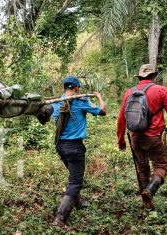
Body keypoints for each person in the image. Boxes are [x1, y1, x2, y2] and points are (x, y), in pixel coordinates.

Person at [117, 64, 167, 210]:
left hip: (135, 138)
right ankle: (150, 191)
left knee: (142, 168)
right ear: (153, 76)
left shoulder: (129, 93)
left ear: (140, 77)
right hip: (155, 138)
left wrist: (121, 139)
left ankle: (147, 203)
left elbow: (121, 118)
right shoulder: (160, 90)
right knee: (161, 166)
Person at [52, 76, 106, 227]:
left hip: (60, 147)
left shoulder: (56, 103)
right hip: (74, 147)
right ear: (76, 88)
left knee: (73, 175)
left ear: (64, 88)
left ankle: (78, 202)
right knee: (76, 182)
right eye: (78, 88)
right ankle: (60, 219)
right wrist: (99, 97)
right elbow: (102, 111)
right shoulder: (81, 102)